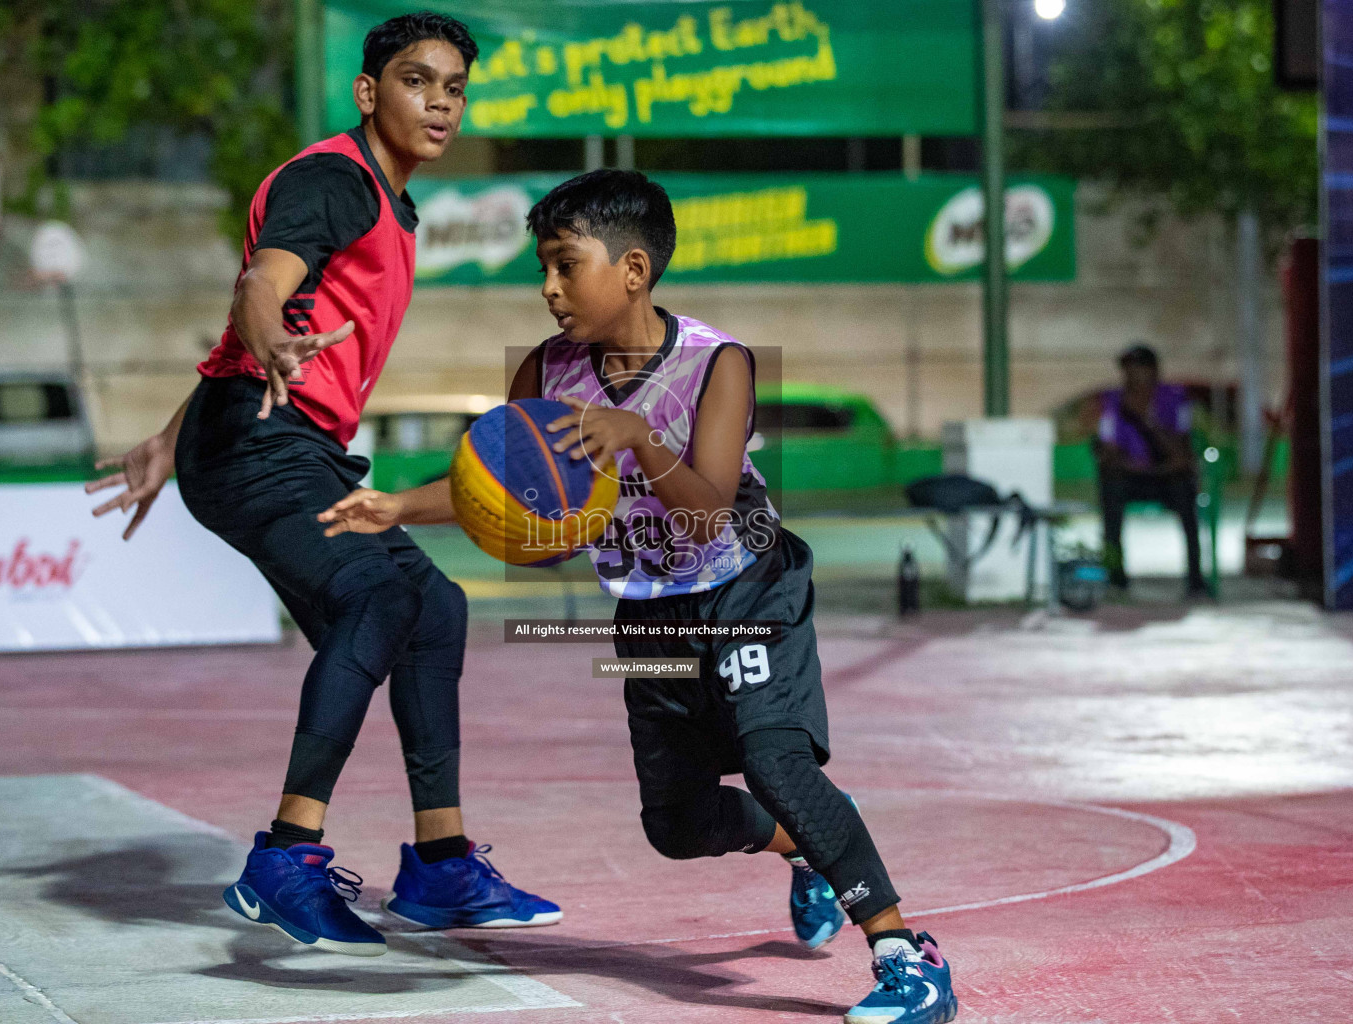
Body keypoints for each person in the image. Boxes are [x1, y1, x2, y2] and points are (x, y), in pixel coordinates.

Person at [319, 170, 959, 1023]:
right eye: (541, 268)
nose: (548, 288)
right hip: (650, 611)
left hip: (748, 586)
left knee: (775, 760)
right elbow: (498, 488)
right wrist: (401, 506)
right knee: (678, 825)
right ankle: (806, 844)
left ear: (632, 269)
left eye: (564, 265)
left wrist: (640, 440)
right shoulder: (548, 370)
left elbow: (706, 513)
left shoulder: (716, 362)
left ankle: (905, 956)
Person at [84, 12, 559, 956]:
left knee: (436, 607)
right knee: (376, 596)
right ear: (368, 91)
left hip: (262, 439)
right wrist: (265, 341)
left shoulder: (386, 200)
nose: (440, 102)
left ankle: (439, 865)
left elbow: (258, 325)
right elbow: (262, 283)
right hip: (262, 447)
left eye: (455, 88)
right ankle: (286, 858)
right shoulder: (334, 180)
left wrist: (171, 435)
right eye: (418, 80)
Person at [1093, 343, 1209, 598]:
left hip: (1168, 476)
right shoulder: (1113, 402)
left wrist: (1148, 421)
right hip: (1130, 475)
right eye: (1130, 370)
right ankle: (1115, 576)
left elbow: (1182, 453)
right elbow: (1107, 449)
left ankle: (1196, 579)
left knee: (1185, 493)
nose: (1135, 377)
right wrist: (1125, 463)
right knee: (1111, 491)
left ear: (1154, 371)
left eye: (1141, 370)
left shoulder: (1175, 398)